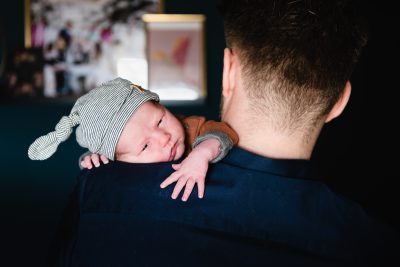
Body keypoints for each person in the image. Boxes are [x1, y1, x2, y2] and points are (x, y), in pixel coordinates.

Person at [50, 0, 398, 266]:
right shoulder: (373, 245)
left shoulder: (97, 193)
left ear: (228, 71)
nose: (162, 138)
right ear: (339, 101)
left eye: (158, 122)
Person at [28, 77, 238, 201]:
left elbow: (224, 132)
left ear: (161, 105)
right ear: (122, 161)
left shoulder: (193, 127)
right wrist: (92, 159)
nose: (163, 138)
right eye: (145, 146)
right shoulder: (120, 161)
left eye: (160, 121)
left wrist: (202, 152)